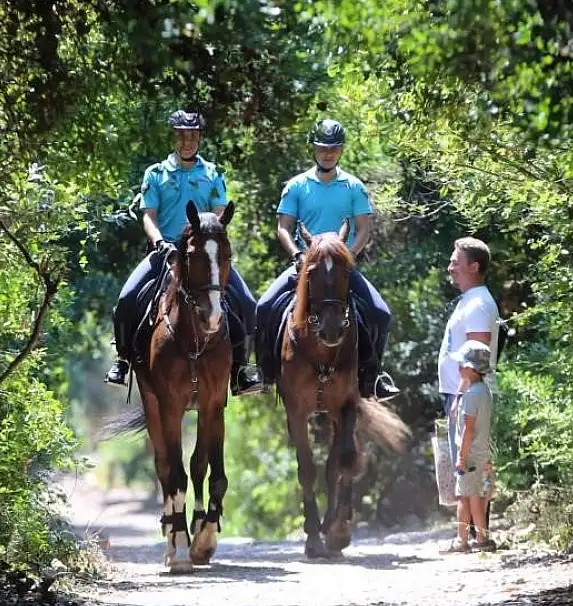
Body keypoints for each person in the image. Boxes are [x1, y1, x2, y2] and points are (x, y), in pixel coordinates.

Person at [104, 109, 263, 396]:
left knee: (248, 303)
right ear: (175, 137)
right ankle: (124, 361)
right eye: (182, 135)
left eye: (193, 136)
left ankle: (240, 371)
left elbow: (219, 212)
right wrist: (159, 243)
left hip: (203, 253)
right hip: (165, 252)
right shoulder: (155, 173)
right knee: (127, 299)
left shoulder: (213, 173)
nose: (188, 141)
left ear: (200, 138)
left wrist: (208, 234)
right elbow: (148, 215)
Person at [254, 119, 397, 402]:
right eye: (322, 148)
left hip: (341, 268)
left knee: (381, 313)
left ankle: (373, 378)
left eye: (333, 149)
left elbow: (364, 227)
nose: (327, 154)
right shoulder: (296, 186)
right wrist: (297, 254)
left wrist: (349, 256)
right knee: (263, 307)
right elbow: (283, 227)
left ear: (341, 150)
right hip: (307, 265)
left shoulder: (353, 186)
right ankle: (264, 372)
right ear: (314, 149)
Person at [437, 236, 501, 540]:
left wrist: (461, 395)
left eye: (456, 262)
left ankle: (474, 536)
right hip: (459, 392)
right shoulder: (469, 300)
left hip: (467, 395)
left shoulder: (477, 304)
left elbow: (478, 355)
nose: (450, 267)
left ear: (474, 267)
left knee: (468, 465)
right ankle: (474, 533)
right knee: (465, 465)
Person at [442, 340, 496, 553]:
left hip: (470, 455)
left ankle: (466, 540)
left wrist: (461, 458)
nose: (458, 368)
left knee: (466, 498)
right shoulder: (483, 390)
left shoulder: (472, 395)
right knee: (475, 497)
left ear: (472, 370)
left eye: (461, 365)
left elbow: (468, 430)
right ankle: (478, 538)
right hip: (482, 453)